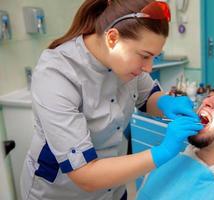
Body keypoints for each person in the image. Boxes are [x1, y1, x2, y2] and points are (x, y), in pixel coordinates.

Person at [20, 1, 203, 200]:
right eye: (145, 56)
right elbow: (85, 174)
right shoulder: (56, 73)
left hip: (113, 189)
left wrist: (165, 103)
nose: (148, 68)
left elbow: (147, 96)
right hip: (62, 192)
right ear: (113, 38)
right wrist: (163, 151)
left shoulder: (125, 61)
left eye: (154, 58)